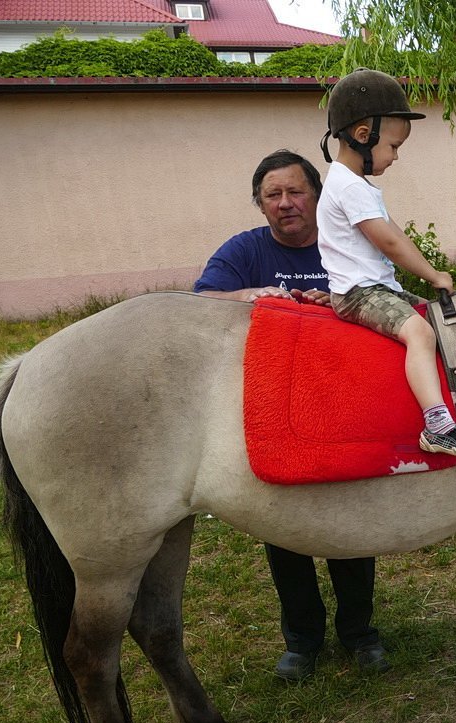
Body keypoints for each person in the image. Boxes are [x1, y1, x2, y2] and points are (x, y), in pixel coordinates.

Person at [194, 149, 389, 681]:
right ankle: (301, 640)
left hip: (344, 408)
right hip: (273, 414)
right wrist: (254, 296)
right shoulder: (244, 252)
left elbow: (387, 300)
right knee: (283, 529)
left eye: (295, 191)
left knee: (349, 526)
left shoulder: (343, 244)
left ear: (317, 195)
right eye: (272, 196)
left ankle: (359, 633)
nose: (285, 204)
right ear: (260, 206)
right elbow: (200, 304)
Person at [317, 69, 456, 458]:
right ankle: (438, 425)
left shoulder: (355, 185)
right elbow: (392, 244)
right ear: (364, 137)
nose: (396, 156)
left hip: (376, 288)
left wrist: (431, 271)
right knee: (422, 333)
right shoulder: (348, 186)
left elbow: (397, 236)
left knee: (439, 321)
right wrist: (434, 275)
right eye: (394, 146)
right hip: (359, 294)